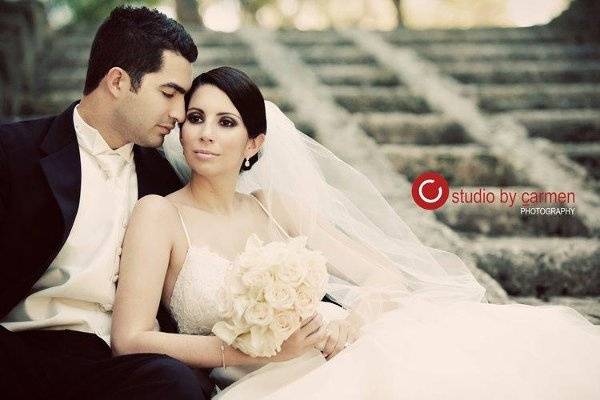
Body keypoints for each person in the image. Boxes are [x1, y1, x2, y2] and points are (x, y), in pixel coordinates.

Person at [112, 65, 600, 400]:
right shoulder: (158, 214)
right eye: (195, 118)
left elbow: (383, 274)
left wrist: (349, 323)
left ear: (253, 143)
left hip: (336, 354)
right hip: (261, 383)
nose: (205, 133)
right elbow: (131, 339)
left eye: (226, 122)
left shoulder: (274, 209)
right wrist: (245, 350)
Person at [0, 6, 214, 399]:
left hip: (116, 362)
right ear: (117, 81)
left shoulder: (165, 179)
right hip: (18, 351)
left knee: (175, 385)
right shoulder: (13, 152)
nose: (180, 114)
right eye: (169, 93)